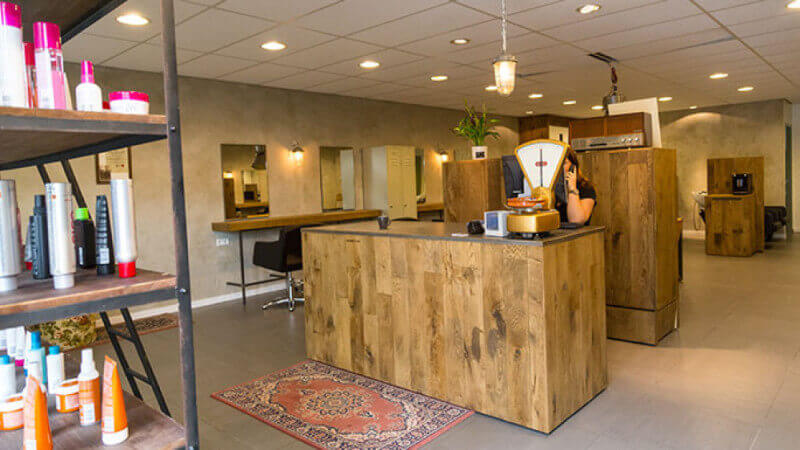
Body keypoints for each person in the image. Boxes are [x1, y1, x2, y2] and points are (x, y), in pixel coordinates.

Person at [554, 147, 596, 225]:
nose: (558, 167)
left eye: (563, 163)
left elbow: (576, 220)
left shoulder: (585, 188)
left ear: (573, 166)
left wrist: (572, 189)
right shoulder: (548, 189)